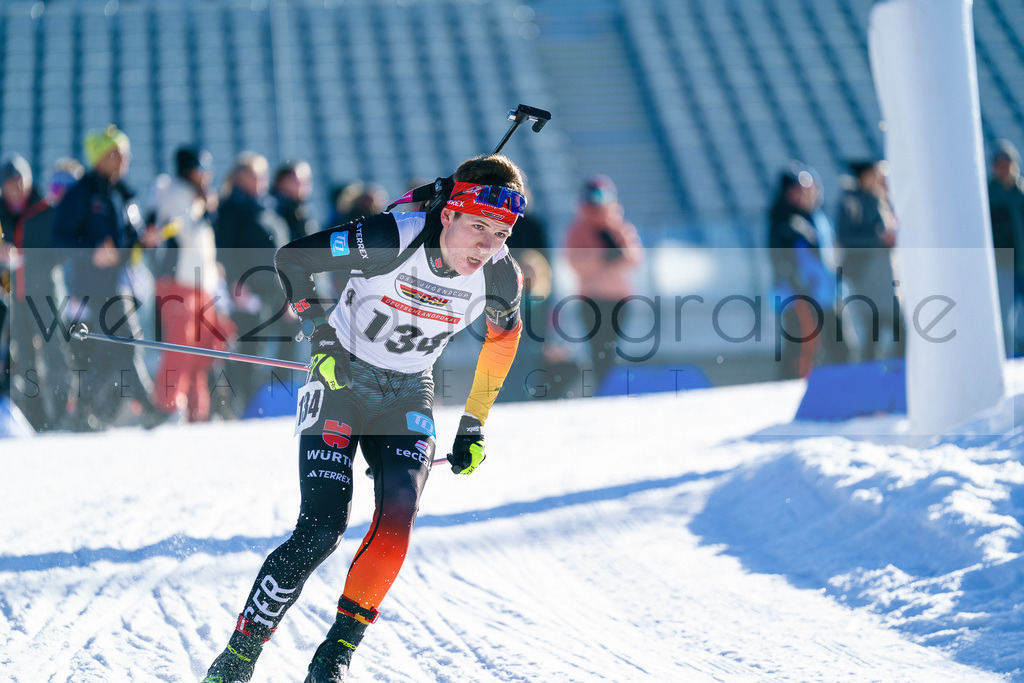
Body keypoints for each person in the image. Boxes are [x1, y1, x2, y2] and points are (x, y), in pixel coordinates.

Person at [203, 153, 526, 683]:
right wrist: (321, 334)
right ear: (447, 215)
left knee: (398, 519)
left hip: (408, 392)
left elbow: (503, 339)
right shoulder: (391, 237)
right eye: (478, 228)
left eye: (501, 233)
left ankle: (333, 656)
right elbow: (292, 260)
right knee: (321, 530)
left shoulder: (501, 275)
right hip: (340, 380)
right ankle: (240, 655)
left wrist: (474, 423)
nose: (487, 247)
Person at [51, 125, 164, 429]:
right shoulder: (81, 193)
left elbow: (127, 242)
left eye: (125, 152)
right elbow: (59, 239)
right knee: (128, 340)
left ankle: (84, 412)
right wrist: (91, 253)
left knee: (108, 351)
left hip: (120, 282)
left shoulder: (122, 193)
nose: (123, 158)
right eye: (116, 152)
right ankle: (148, 407)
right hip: (90, 286)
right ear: (100, 157)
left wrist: (145, 240)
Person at [149, 146, 235, 422]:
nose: (206, 175)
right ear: (188, 170)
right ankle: (167, 406)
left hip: (200, 284)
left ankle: (197, 411)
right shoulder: (176, 193)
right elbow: (185, 234)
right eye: (201, 169)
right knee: (182, 344)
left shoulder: (196, 197)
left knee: (204, 346)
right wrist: (207, 212)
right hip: (178, 281)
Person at [1, 155, 82, 430]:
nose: (17, 187)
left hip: (46, 292)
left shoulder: (46, 209)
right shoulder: (2, 213)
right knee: (24, 357)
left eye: (21, 180)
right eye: (11, 183)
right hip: (16, 295)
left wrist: (26, 257)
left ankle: (63, 412)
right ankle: (35, 418)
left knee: (54, 351)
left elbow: (61, 251)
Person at [214, 152, 292, 414]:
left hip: (268, 289)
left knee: (258, 351)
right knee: (244, 353)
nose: (260, 180)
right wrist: (236, 283)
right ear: (240, 176)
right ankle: (232, 407)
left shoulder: (263, 206)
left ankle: (247, 405)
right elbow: (225, 247)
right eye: (254, 175)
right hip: (245, 290)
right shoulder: (231, 207)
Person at [767, 162, 848, 379]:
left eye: (812, 188)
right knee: (801, 346)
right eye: (802, 188)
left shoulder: (818, 219)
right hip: (800, 296)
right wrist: (802, 293)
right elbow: (784, 262)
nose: (810, 193)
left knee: (838, 344)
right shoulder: (785, 221)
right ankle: (788, 388)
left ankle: (840, 383)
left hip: (826, 295)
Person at [565, 174, 643, 390]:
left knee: (612, 346)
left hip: (620, 298)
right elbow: (575, 261)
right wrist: (603, 257)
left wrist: (618, 254)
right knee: (597, 347)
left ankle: (609, 386)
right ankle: (601, 387)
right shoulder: (579, 229)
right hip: (591, 299)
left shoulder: (619, 227)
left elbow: (634, 257)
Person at [835, 159, 901, 362]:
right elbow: (846, 238)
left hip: (883, 276)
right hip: (864, 274)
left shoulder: (880, 201)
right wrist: (878, 239)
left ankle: (896, 371)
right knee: (872, 328)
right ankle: (869, 377)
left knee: (897, 325)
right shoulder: (851, 202)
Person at [987, 139, 1024, 357]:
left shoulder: (1020, 192)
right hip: (1002, 262)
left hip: (1021, 262)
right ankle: (1006, 359)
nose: (1005, 167)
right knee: (1004, 314)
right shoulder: (989, 195)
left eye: (1008, 162)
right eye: (1000, 163)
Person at [271, 159, 319, 242]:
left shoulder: (302, 210)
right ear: (283, 181)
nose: (306, 184)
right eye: (300, 178)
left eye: (308, 179)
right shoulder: (273, 210)